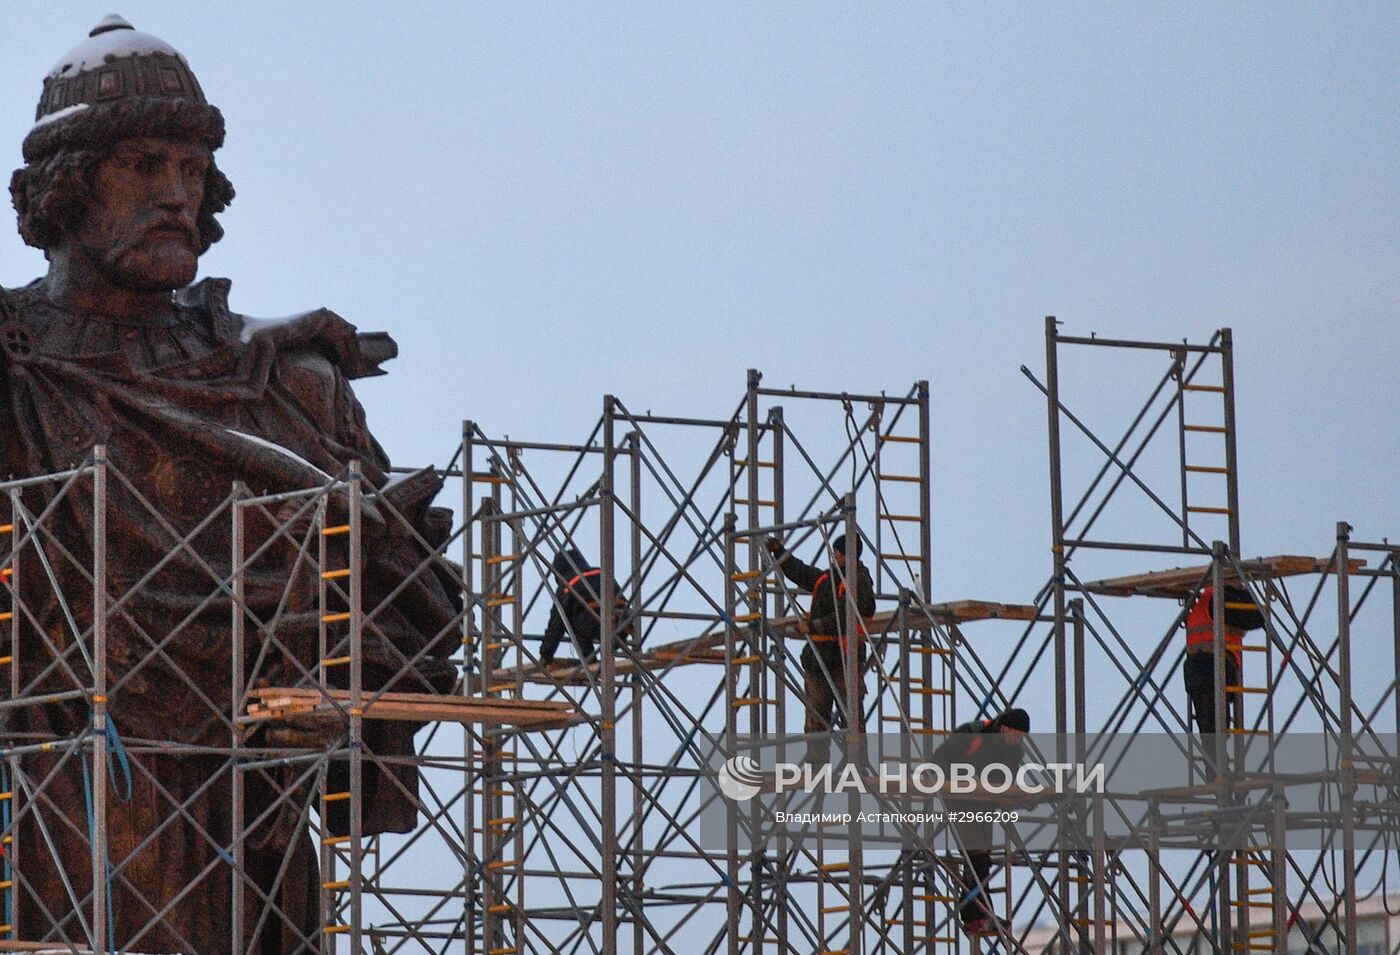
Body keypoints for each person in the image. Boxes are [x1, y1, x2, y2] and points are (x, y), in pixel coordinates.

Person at [1, 17, 457, 952]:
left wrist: (379, 561)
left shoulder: (289, 385)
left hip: (257, 812)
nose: (177, 194)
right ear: (65, 188)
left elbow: (413, 619)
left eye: (191, 169)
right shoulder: (14, 372)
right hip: (64, 802)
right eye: (143, 166)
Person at [932, 708, 1031, 937]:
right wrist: (962, 779)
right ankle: (976, 916)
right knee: (976, 855)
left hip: (982, 803)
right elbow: (940, 760)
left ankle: (979, 916)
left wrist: (1016, 797)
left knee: (980, 858)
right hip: (959, 799)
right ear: (1005, 728)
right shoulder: (973, 734)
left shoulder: (1013, 750)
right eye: (1016, 735)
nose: (1018, 740)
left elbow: (1005, 781)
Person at [765, 532, 876, 736]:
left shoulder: (858, 581)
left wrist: (814, 626)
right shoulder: (828, 578)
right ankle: (817, 768)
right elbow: (802, 573)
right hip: (819, 659)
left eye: (837, 552)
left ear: (846, 555)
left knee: (852, 724)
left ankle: (856, 766)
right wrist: (779, 552)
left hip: (845, 658)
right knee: (816, 722)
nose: (833, 556)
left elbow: (848, 617)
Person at [1182, 584, 1265, 735]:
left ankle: (1213, 756)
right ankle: (1216, 756)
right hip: (1213, 667)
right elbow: (1258, 618)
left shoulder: (1204, 600)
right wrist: (1244, 592)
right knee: (1216, 727)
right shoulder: (1220, 599)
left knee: (1207, 726)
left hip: (1194, 667)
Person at [539, 547, 631, 668]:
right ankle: (619, 647)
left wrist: (546, 653)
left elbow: (556, 624)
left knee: (566, 618)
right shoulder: (601, 572)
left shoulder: (568, 584)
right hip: (622, 624)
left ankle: (589, 659)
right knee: (593, 612)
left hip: (592, 624)